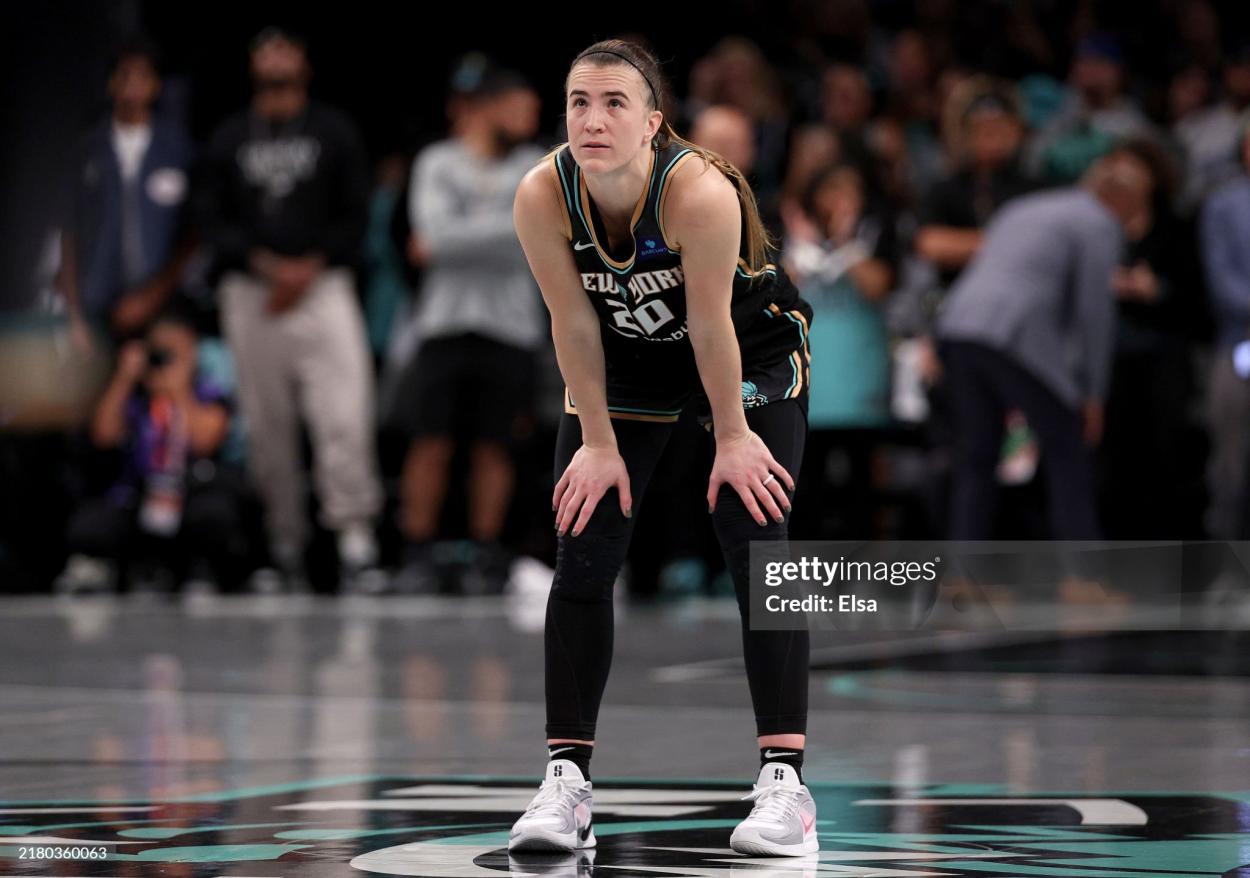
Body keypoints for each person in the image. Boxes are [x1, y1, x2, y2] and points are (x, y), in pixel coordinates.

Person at [507, 40, 816, 857]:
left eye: (613, 102)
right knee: (583, 542)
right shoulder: (542, 193)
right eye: (578, 101)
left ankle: (787, 786)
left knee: (758, 546)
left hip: (744, 355)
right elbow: (572, 324)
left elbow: (711, 327)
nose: (592, 118)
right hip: (631, 359)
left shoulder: (698, 192)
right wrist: (600, 443)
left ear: (652, 122)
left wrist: (734, 437)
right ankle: (565, 784)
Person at [198, 28, 382, 591]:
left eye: (286, 48)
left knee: (344, 412)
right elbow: (211, 218)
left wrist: (310, 265)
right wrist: (266, 267)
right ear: (252, 63)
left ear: (303, 59)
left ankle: (354, 537)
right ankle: (285, 543)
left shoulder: (332, 129)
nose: (276, 59)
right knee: (266, 422)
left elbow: (357, 211)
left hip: (321, 284)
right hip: (253, 292)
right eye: (265, 49)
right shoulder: (230, 135)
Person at [936, 146, 1156, 540]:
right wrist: (1091, 394)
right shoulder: (1099, 221)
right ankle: (1083, 578)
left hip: (958, 325)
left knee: (977, 454)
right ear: (1121, 198)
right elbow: (1094, 311)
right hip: (1012, 335)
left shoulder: (1023, 208)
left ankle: (962, 575)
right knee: (1067, 446)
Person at [395, 55, 545, 594]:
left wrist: (450, 240)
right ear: (486, 109)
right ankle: (417, 552)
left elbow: (538, 233)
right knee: (429, 439)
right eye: (519, 105)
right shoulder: (437, 162)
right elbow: (428, 236)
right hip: (443, 323)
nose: (530, 114)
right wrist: (511, 228)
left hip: (511, 327)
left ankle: (485, 552)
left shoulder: (537, 165)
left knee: (495, 444)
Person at [54, 305, 238, 594]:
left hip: (188, 493)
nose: (164, 360)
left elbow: (206, 441)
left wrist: (179, 391)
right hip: (139, 494)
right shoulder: (135, 395)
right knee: (91, 524)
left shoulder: (206, 392)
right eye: (159, 352)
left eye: (175, 352)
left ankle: (200, 569)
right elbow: (103, 435)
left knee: (215, 515)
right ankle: (108, 570)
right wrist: (125, 377)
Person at [60, 36, 194, 349]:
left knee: (165, 391)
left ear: (156, 85)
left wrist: (154, 295)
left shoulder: (178, 149)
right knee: (102, 393)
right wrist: (74, 315)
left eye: (143, 75)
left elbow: (193, 233)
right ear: (111, 83)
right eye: (125, 75)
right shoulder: (88, 150)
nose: (133, 84)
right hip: (99, 304)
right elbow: (70, 234)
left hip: (164, 302)